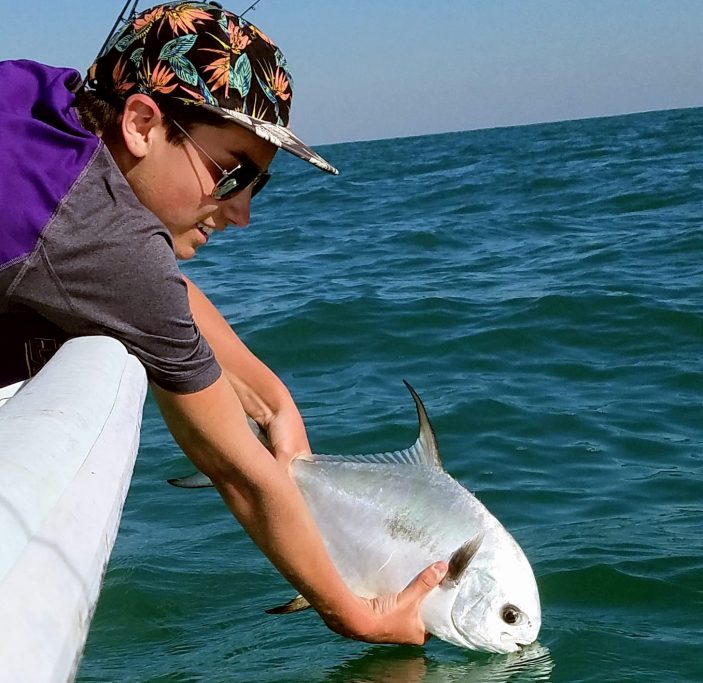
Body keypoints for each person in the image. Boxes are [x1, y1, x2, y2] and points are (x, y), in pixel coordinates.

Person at [0, 1, 445, 645]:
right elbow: (237, 470)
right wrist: (358, 614)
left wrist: (274, 405)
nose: (240, 214)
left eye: (256, 186)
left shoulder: (47, 97)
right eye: (230, 173)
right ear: (142, 122)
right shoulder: (99, 237)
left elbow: (155, 286)